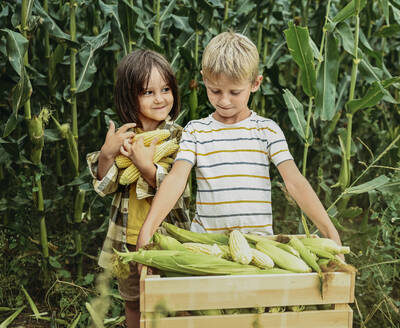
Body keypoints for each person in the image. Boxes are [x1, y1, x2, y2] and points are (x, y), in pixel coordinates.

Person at [137, 31, 343, 255]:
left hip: (257, 248)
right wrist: (148, 229)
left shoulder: (267, 130)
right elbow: (176, 179)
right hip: (208, 247)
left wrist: (330, 232)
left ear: (255, 83)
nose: (224, 100)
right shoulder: (196, 131)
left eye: (235, 92)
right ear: (204, 78)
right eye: (215, 90)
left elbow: (295, 182)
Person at [86, 50, 190, 328]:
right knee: (134, 300)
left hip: (169, 237)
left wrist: (146, 166)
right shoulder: (125, 137)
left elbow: (179, 189)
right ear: (129, 97)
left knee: (178, 299)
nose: (159, 98)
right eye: (148, 92)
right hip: (128, 239)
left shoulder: (181, 137)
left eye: (165, 89)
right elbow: (105, 186)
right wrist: (107, 155)